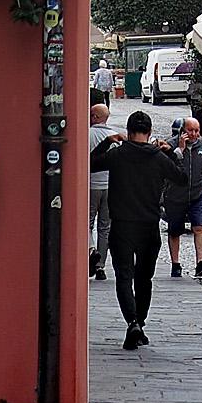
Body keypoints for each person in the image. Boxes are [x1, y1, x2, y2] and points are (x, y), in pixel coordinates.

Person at [91, 108, 184, 350]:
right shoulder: (158, 158)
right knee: (144, 278)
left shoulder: (118, 154)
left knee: (124, 276)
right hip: (149, 225)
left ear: (128, 132)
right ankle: (139, 323)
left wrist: (106, 142)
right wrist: (170, 152)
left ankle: (132, 322)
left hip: (122, 225)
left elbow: (90, 164)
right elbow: (181, 178)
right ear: (149, 132)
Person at [164, 116, 202, 278]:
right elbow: (167, 167)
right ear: (182, 131)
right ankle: (175, 264)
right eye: (190, 130)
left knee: (200, 227)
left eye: (197, 131)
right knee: (175, 230)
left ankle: (201, 263)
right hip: (175, 195)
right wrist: (180, 149)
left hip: (198, 194)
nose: (194, 134)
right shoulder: (170, 145)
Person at [87, 90, 115, 280]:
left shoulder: (86, 135)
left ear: (95, 117)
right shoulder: (114, 136)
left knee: (87, 224)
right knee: (105, 227)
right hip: (109, 186)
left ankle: (91, 250)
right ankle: (101, 266)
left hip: (91, 185)